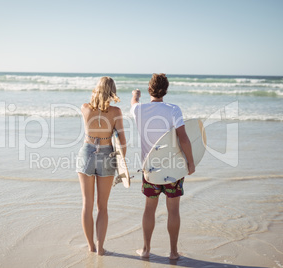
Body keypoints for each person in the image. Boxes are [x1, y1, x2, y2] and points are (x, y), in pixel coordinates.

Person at [131, 73, 195, 260]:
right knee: (173, 210)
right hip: (173, 169)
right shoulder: (173, 109)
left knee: (149, 209)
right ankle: (173, 253)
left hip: (150, 170)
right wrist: (190, 163)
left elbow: (133, 101)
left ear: (150, 89)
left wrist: (136, 94)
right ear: (165, 90)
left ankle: (145, 249)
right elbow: (183, 138)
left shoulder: (138, 110)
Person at [76, 76, 126, 255]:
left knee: (86, 205)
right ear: (112, 91)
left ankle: (90, 246)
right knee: (102, 206)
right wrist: (121, 167)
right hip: (106, 153)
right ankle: (100, 248)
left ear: (96, 89)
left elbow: (92, 106)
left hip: (87, 153)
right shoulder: (116, 112)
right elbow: (122, 141)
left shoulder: (84, 108)